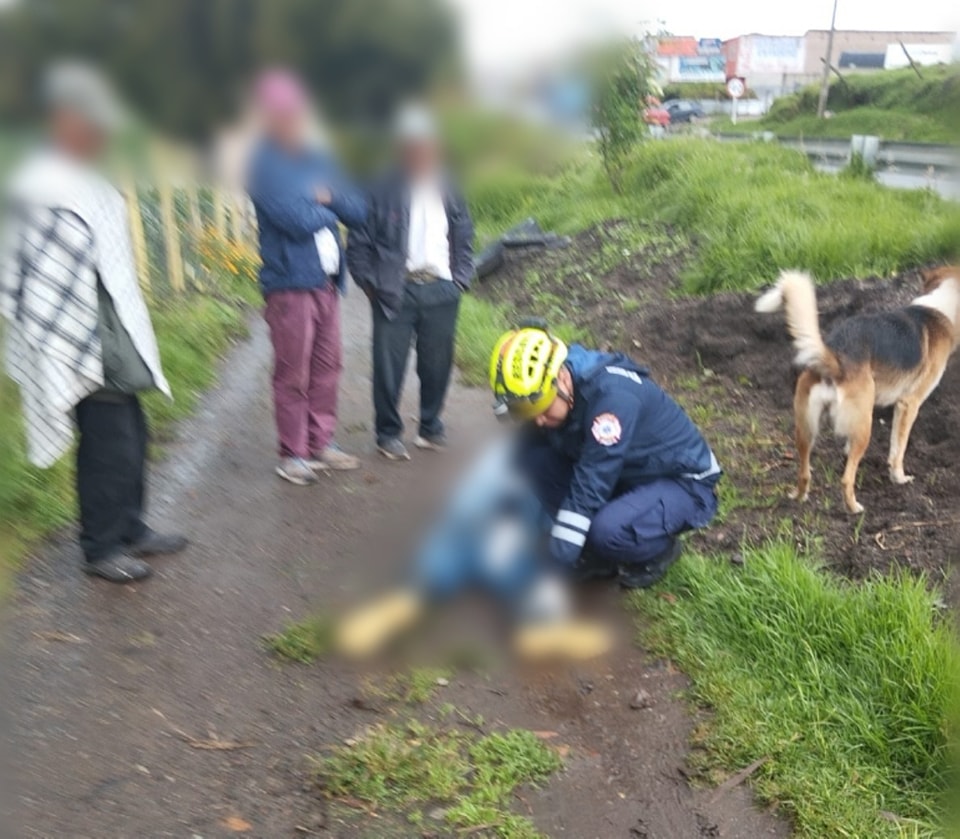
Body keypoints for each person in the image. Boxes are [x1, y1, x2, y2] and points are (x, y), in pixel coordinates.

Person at [0, 63, 186, 583]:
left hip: (108, 323)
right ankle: (101, 546)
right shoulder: (35, 180)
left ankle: (131, 527)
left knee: (132, 432)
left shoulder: (83, 176)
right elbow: (26, 264)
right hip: (73, 330)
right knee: (108, 441)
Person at [490, 325, 722, 589]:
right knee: (534, 459)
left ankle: (659, 551)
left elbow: (591, 483)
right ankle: (597, 556)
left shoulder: (612, 401)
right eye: (529, 412)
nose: (539, 420)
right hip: (628, 471)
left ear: (562, 379)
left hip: (683, 482)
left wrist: (553, 571)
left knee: (607, 530)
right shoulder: (557, 387)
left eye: (543, 409)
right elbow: (520, 455)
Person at [247, 69, 367, 485]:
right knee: (293, 372)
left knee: (328, 366)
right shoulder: (261, 164)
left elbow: (360, 209)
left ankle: (321, 443)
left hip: (327, 282)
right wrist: (331, 205)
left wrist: (326, 196)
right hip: (290, 286)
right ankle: (293, 454)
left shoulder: (318, 157)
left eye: (297, 111)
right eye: (283, 113)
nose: (293, 119)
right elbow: (295, 219)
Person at [348, 104, 474, 462]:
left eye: (428, 144)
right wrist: (371, 286)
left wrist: (460, 279)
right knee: (388, 368)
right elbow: (358, 242)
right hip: (395, 291)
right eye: (414, 145)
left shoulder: (448, 183)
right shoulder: (380, 185)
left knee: (437, 365)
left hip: (442, 288)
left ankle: (430, 426)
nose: (422, 152)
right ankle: (388, 433)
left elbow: (463, 231)